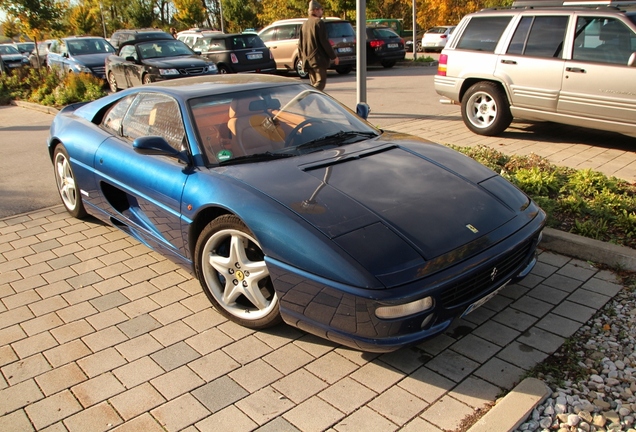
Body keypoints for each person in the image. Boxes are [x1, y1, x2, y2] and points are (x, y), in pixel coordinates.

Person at [298, 0, 339, 91]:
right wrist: (334, 56)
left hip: (308, 61)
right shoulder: (319, 23)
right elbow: (324, 42)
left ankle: (312, 104)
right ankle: (304, 99)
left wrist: (302, 59)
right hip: (318, 60)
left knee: (314, 85)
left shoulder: (304, 25)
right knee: (320, 83)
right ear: (315, 10)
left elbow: (300, 45)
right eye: (321, 9)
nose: (322, 11)